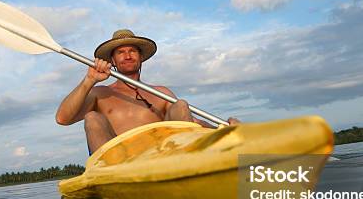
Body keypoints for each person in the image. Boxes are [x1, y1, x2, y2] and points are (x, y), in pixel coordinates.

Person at [56, 29, 240, 153]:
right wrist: (89, 80)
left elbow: (191, 121)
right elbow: (62, 118)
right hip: (118, 161)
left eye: (132, 51)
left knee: (181, 105)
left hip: (162, 155)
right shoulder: (100, 93)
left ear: (141, 57)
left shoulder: (161, 92)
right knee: (92, 117)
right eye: (120, 52)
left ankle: (190, 163)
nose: (127, 55)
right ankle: (109, 179)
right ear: (112, 60)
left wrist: (223, 128)